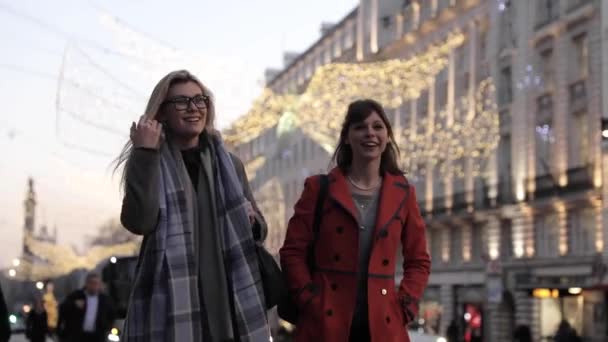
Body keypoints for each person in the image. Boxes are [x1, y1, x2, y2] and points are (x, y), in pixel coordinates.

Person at [116, 70, 270, 342]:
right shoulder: (149, 161)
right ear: (162, 113)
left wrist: (252, 221)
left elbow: (259, 228)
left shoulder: (230, 164)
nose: (193, 108)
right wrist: (144, 154)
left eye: (200, 100)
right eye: (182, 102)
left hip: (229, 301)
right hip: (171, 300)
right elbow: (139, 222)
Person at [280, 99, 431, 342]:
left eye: (377, 126)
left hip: (383, 326)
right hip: (325, 324)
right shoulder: (319, 188)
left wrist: (406, 304)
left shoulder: (404, 193)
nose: (370, 133)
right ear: (347, 138)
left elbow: (419, 260)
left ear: (388, 137)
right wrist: (308, 298)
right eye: (360, 127)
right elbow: (292, 252)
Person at [56, 272, 115, 342]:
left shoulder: (105, 300)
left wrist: (106, 326)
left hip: (96, 336)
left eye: (96, 283)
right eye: (91, 283)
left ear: (99, 285)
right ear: (87, 283)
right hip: (77, 335)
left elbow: (111, 314)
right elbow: (62, 308)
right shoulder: (77, 295)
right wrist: (74, 304)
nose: (94, 286)